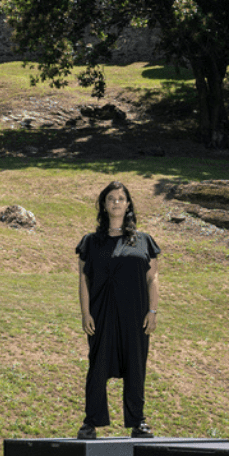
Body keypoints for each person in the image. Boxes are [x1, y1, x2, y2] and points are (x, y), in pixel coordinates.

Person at [75, 181, 160, 438]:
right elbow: (83, 280)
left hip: (136, 315)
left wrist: (153, 311)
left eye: (121, 198)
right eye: (111, 198)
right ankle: (91, 421)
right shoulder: (90, 242)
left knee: (136, 365)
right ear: (104, 204)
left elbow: (152, 279)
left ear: (128, 204)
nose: (116, 202)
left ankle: (138, 421)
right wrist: (86, 313)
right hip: (101, 314)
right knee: (97, 365)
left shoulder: (144, 241)